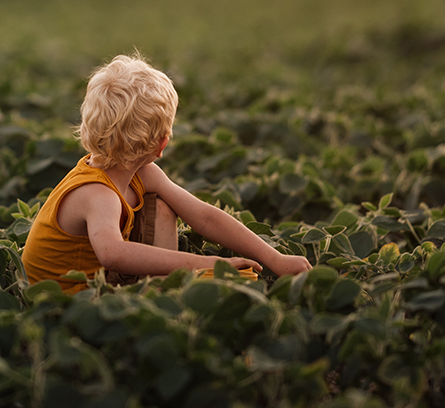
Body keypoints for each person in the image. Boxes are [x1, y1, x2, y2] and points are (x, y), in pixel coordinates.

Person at [22, 54, 312, 294]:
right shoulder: (97, 194)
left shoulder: (145, 175)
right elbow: (113, 253)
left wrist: (276, 258)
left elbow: (204, 215)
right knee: (231, 285)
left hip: (99, 282)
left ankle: (163, 291)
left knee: (163, 206)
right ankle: (166, 296)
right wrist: (204, 263)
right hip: (63, 300)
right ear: (162, 143)